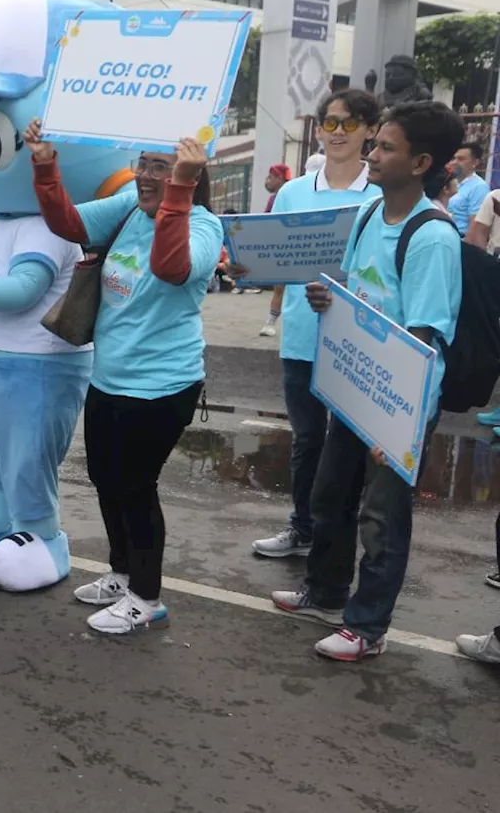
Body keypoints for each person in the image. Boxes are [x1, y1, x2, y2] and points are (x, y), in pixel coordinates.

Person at [272, 101, 464, 661]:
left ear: (422, 162)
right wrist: (326, 297)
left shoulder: (432, 237)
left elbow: (424, 337)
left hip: (400, 402)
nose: (372, 154)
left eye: (385, 147)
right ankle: (326, 590)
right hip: (358, 389)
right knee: (330, 494)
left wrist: (398, 429)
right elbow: (355, 292)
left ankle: (367, 626)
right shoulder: (366, 216)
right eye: (374, 143)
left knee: (382, 517)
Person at [31, 128, 222, 633]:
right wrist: (46, 166)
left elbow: (171, 266)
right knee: (106, 479)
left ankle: (147, 597)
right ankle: (121, 573)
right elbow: (68, 223)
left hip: (162, 386)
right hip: (109, 377)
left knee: (136, 487)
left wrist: (178, 191)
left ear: (190, 174)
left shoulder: (202, 226)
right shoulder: (127, 212)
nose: (146, 176)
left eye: (162, 166)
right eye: (144, 163)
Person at [250, 89, 381, 559]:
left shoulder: (382, 194)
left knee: (352, 446)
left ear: (370, 129)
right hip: (304, 336)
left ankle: (344, 534)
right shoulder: (292, 192)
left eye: (349, 123)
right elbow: (271, 258)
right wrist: (247, 267)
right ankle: (302, 528)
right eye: (330, 123)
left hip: (361, 341)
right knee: (307, 439)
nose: (338, 132)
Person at [259, 163, 292, 336]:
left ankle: (271, 322)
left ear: (279, 178)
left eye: (271, 177)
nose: (268, 181)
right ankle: (271, 322)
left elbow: (267, 222)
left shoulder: (281, 196)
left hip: (286, 248)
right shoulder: (283, 195)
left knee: (280, 287)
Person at [446, 141, 487, 235]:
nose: (455, 162)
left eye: (461, 159)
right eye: (454, 158)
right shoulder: (449, 183)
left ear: (475, 163)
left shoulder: (479, 187)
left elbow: (476, 224)